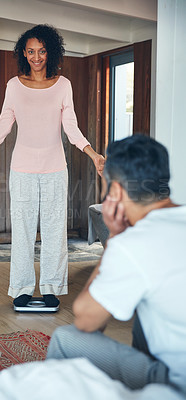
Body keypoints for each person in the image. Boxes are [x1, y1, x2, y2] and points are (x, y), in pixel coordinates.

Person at [0, 24, 105, 308]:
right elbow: (2, 128)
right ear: (24, 53)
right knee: (23, 231)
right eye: (31, 51)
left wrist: (93, 153)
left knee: (54, 230)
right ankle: (22, 288)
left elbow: (71, 128)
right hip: (22, 169)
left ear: (50, 52)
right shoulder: (14, 86)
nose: (36, 57)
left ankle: (51, 287)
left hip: (55, 169)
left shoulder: (63, 86)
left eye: (42, 51)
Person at [46, 135, 186, 396]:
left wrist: (115, 240)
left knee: (66, 340)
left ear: (117, 192)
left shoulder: (134, 243)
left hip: (177, 384)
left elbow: (87, 321)